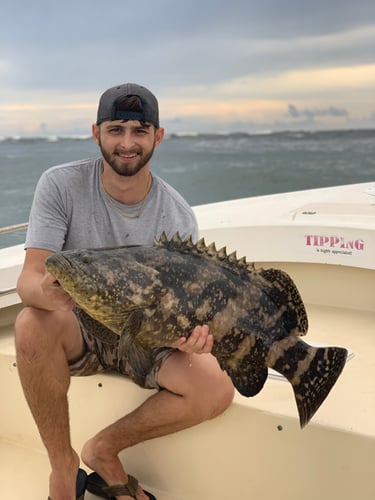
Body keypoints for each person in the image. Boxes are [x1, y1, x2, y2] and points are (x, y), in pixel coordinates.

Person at [14, 83, 234, 500]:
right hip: (81, 328)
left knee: (217, 388)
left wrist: (196, 339)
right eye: (116, 130)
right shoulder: (60, 185)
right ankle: (63, 468)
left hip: (150, 336)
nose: (128, 143)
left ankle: (103, 449)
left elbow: (186, 308)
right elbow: (29, 278)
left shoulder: (178, 214)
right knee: (30, 324)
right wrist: (50, 294)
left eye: (139, 130)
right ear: (96, 133)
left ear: (158, 136)